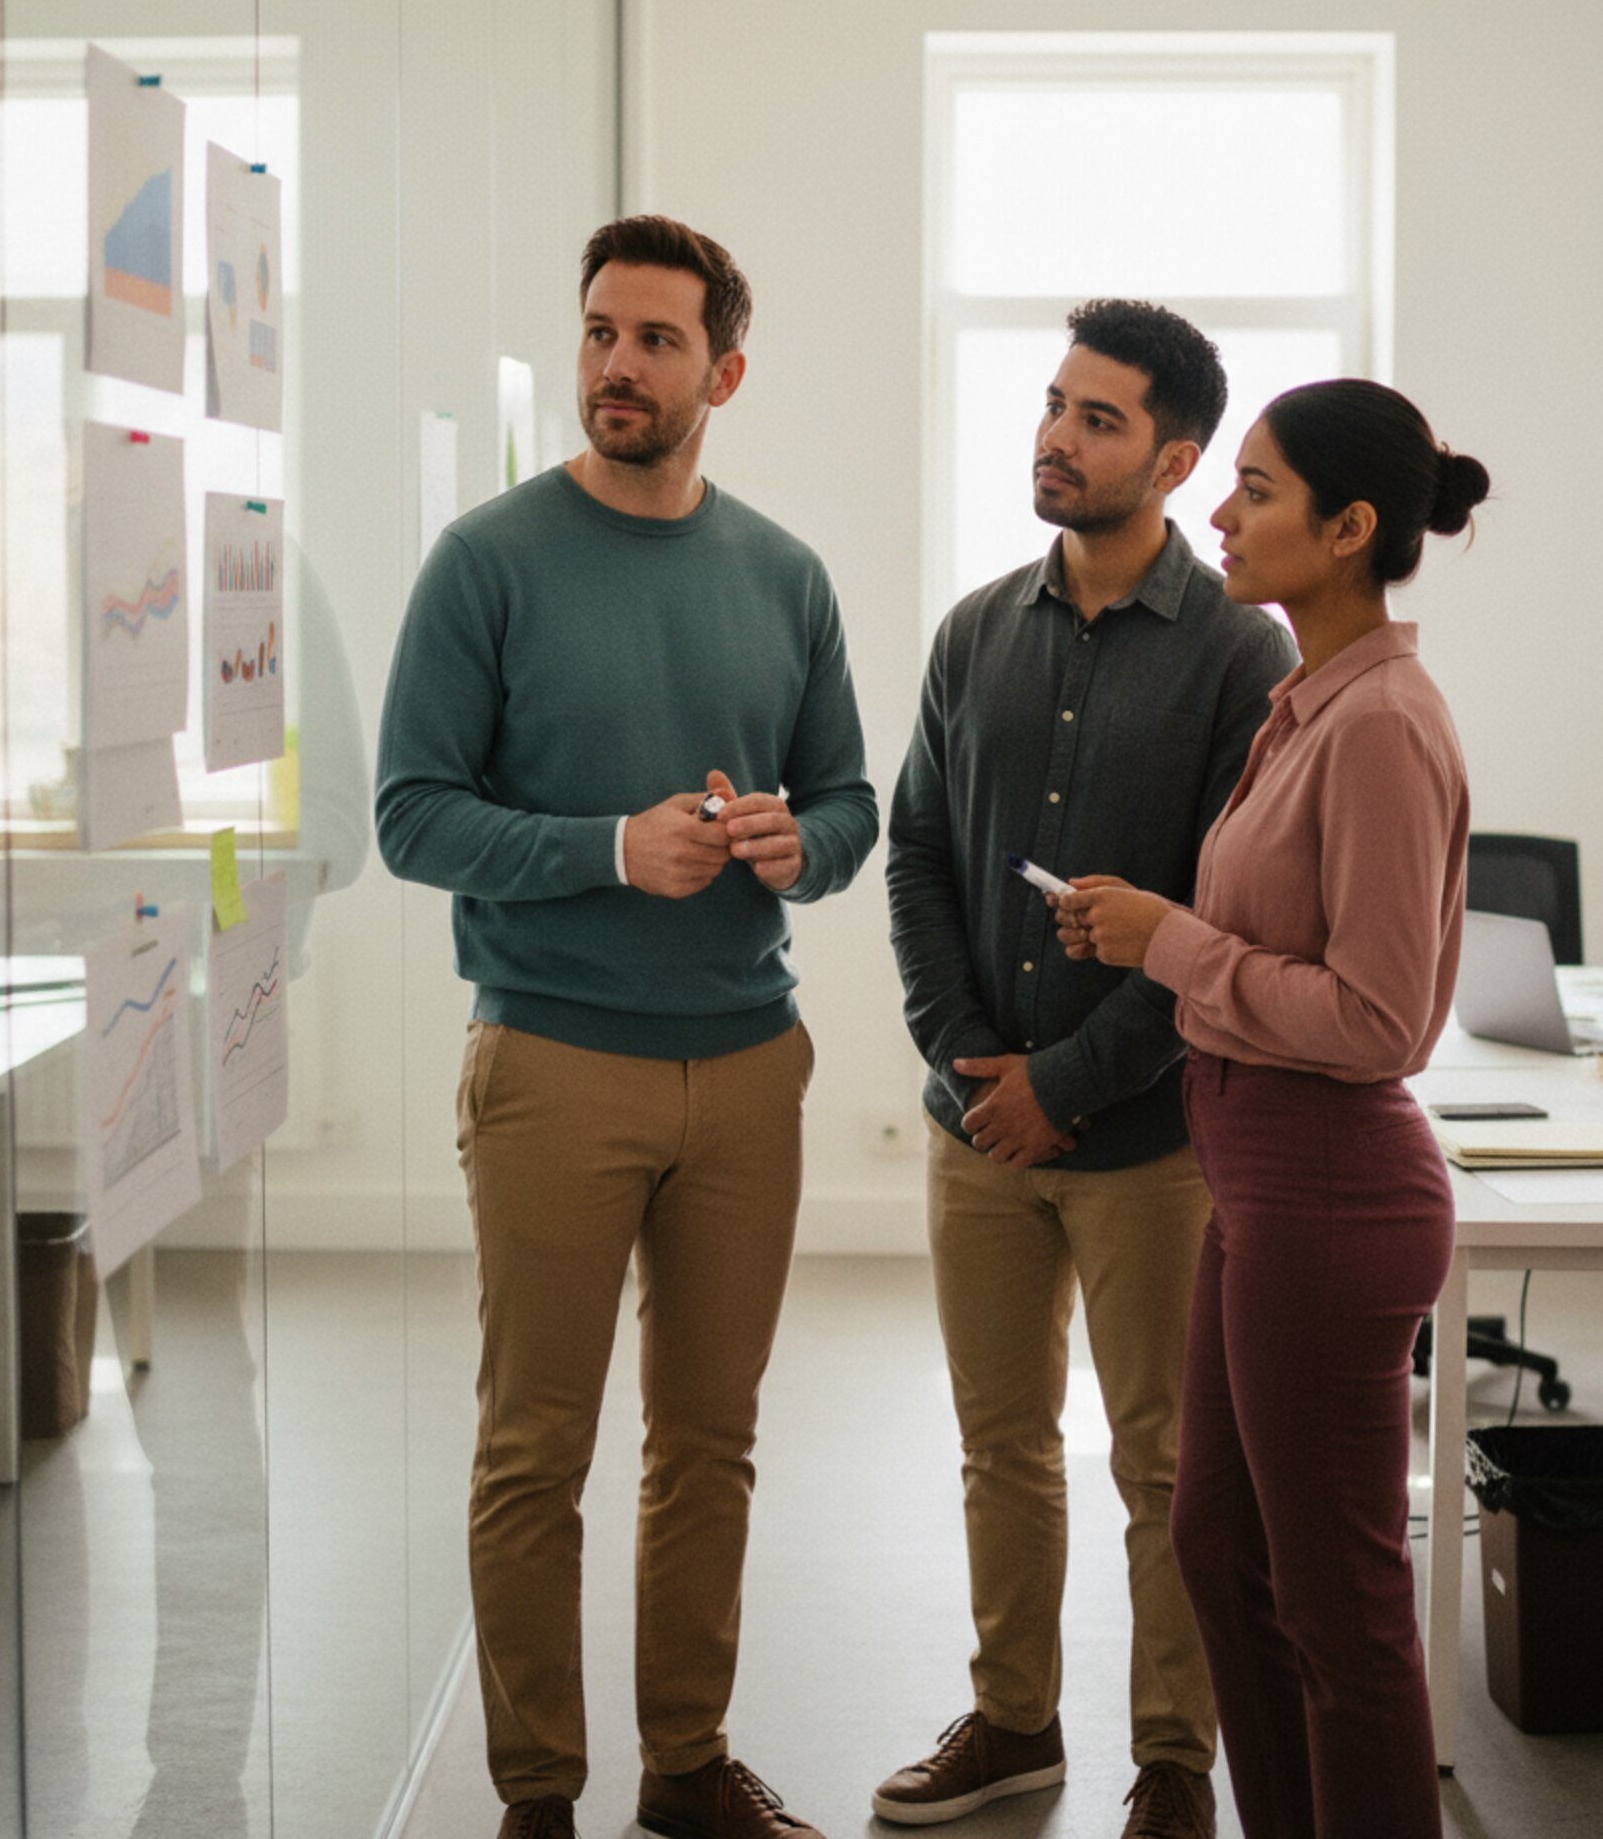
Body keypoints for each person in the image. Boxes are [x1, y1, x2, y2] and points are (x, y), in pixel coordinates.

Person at [375, 215, 878, 1839]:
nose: (618, 366)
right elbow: (410, 816)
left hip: (747, 1063)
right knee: (536, 1450)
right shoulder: (487, 561)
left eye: (658, 341)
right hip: (551, 1062)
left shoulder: (785, 575)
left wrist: (808, 845)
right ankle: (537, 1790)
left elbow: (857, 801)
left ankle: (684, 1763)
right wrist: (607, 848)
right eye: (600, 332)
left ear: (724, 371)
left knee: (710, 1444)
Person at [880, 301, 1298, 1838]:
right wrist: (959, 1049)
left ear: (1178, 460)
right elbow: (921, 851)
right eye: (1054, 402)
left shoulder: (1243, 655)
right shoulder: (975, 630)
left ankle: (1175, 1760)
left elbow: (1221, 914)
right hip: (974, 1122)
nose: (1056, 434)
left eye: (1100, 418)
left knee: (1166, 1465)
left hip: (1146, 1141)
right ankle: (1011, 1723)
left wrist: (1070, 1081)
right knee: (999, 1449)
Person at [1054, 380, 1487, 1839]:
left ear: (1352, 528)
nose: (1221, 516)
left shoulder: (1377, 728)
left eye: (1257, 491)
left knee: (1340, 1602)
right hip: (1256, 1181)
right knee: (1217, 1538)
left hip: (1328, 1192)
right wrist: (1163, 935)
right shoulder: (1311, 700)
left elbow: (1377, 1023)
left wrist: (1169, 943)